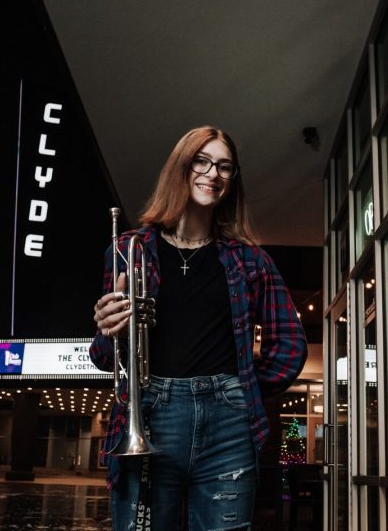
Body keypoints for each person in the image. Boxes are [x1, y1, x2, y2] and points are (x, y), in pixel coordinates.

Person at [90, 126, 308, 530]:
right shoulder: (128, 250)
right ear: (181, 168)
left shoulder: (251, 260)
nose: (213, 174)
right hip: (151, 412)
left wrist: (242, 390)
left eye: (225, 167)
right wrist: (108, 329)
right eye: (202, 162)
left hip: (228, 424)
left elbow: (290, 347)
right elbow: (106, 359)